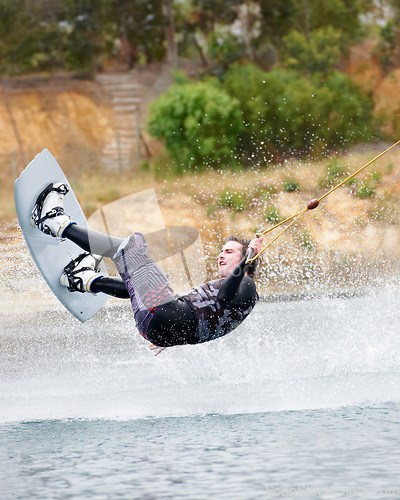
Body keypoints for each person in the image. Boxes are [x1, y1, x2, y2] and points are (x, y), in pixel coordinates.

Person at [31, 182, 264, 355]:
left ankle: (54, 221)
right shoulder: (234, 302)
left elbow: (226, 293)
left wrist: (251, 254)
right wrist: (169, 336)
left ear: (245, 262)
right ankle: (84, 280)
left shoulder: (247, 285)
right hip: (152, 327)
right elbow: (205, 327)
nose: (222, 254)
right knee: (139, 283)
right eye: (222, 250)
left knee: (130, 248)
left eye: (230, 252)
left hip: (164, 316)